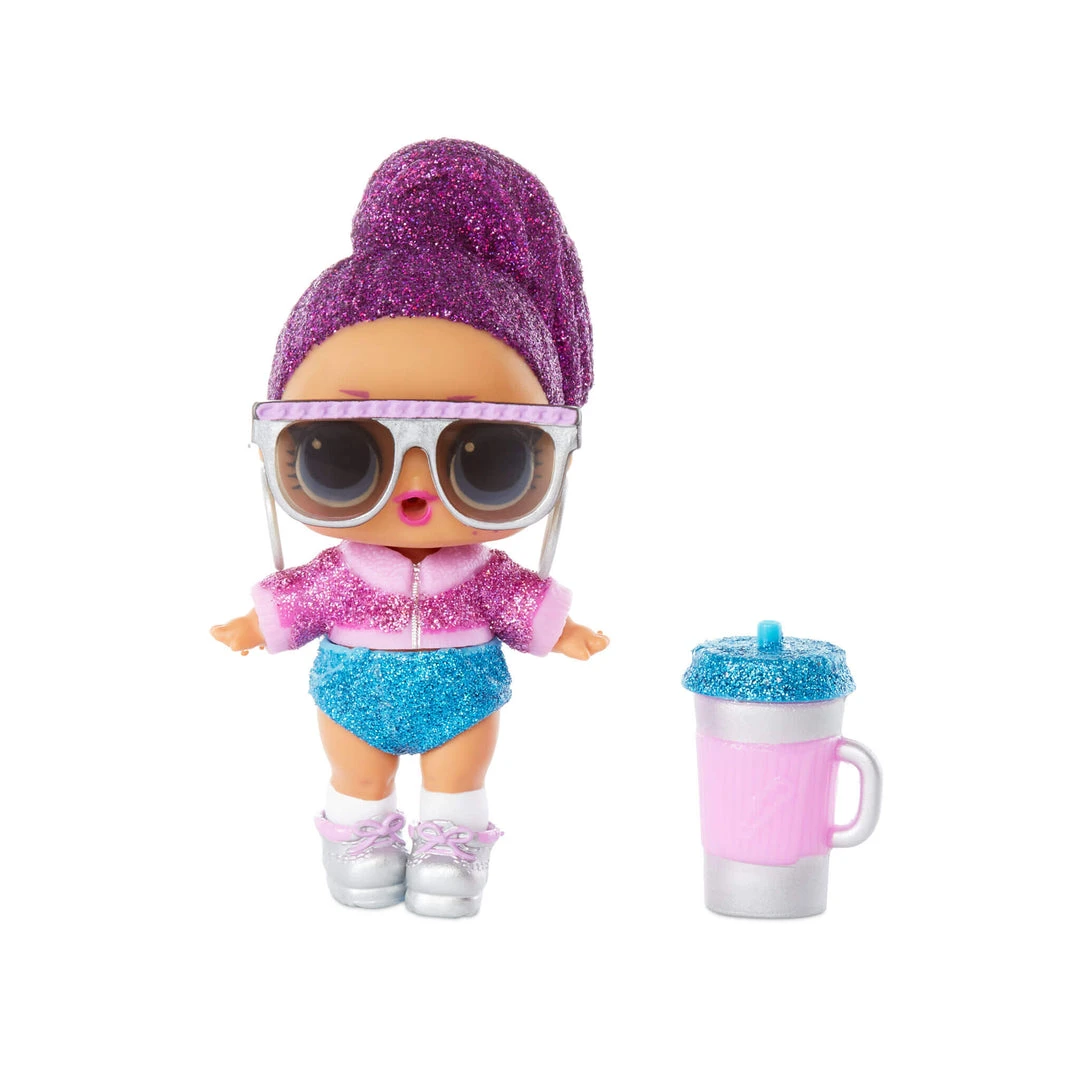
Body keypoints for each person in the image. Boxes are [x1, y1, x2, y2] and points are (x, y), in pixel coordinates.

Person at [211, 139, 607, 917]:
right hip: (353, 695)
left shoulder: (483, 575)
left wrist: (565, 632)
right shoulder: (341, 572)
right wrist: (252, 624)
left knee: (459, 776)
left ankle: (452, 846)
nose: (417, 492)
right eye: (341, 455)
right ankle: (358, 840)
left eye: (486, 457)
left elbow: (520, 602)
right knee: (357, 774)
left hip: (464, 694)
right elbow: (299, 598)